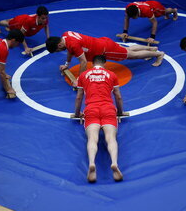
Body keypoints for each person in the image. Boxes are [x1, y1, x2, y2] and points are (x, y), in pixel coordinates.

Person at [72, 55, 128, 183]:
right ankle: (114, 163)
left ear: (93, 64)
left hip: (91, 109)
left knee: (92, 138)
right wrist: (119, 112)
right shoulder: (111, 74)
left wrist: (77, 113)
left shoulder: (84, 75)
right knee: (111, 138)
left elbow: (79, 97)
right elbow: (118, 96)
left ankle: (92, 163)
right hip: (108, 108)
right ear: (104, 63)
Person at [46, 31, 165, 84]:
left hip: (106, 49)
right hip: (102, 42)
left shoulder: (73, 44)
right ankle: (151, 49)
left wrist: (79, 80)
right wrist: (67, 64)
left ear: (59, 44)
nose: (59, 51)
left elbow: (83, 62)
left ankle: (158, 54)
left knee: (131, 55)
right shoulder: (65, 35)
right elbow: (70, 51)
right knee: (127, 50)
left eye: (58, 49)